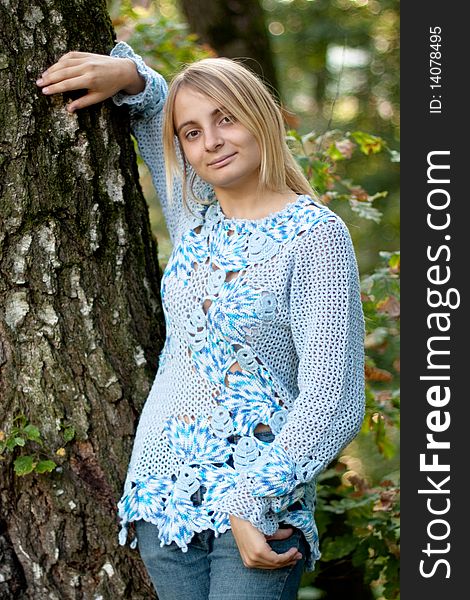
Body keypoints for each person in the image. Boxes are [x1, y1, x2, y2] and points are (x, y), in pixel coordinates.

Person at [36, 41, 365, 600]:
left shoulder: (315, 236)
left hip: (259, 509)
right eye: (191, 133)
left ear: (259, 118)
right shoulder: (196, 216)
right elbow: (156, 105)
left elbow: (333, 398)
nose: (210, 141)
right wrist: (131, 77)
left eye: (226, 119)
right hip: (165, 499)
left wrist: (251, 498)